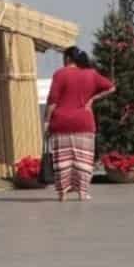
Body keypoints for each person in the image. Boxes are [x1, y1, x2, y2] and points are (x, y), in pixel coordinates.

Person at [44, 46, 115, 202]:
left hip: (61, 123)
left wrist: (46, 121)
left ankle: (62, 194)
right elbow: (111, 87)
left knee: (62, 160)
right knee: (83, 160)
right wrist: (92, 99)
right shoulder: (91, 74)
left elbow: (52, 101)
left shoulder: (60, 74)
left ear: (68, 59)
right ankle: (82, 193)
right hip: (84, 122)